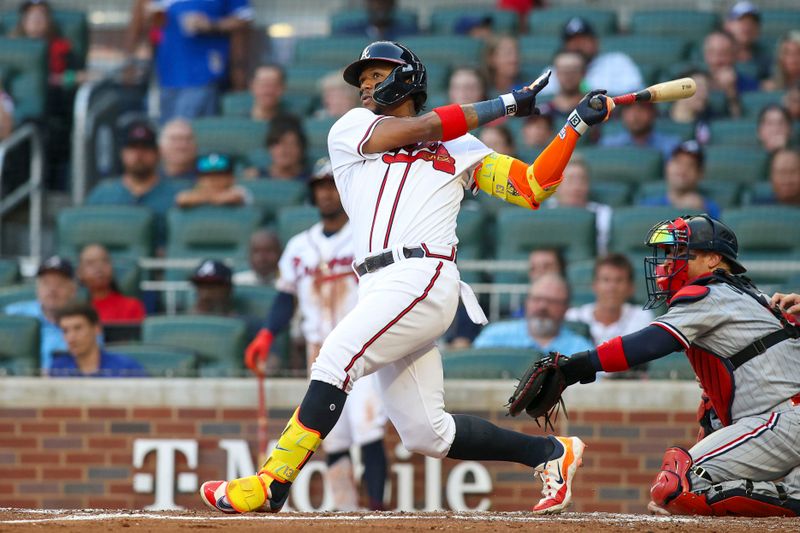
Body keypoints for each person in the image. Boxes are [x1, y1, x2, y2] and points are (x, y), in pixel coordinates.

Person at [199, 39, 613, 515]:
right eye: (363, 80)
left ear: (408, 77)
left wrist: (574, 125)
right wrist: (505, 104)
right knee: (425, 432)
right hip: (378, 285)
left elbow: (533, 186)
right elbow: (427, 125)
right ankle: (550, 454)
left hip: (424, 272)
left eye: (377, 75)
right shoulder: (352, 128)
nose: (366, 86)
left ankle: (273, 482)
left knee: (336, 357)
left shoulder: (462, 147)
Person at [548, 214, 800, 517]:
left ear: (712, 259)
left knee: (677, 486)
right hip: (779, 420)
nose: (668, 262)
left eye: (679, 253)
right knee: (677, 496)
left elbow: (653, 342)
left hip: (784, 420)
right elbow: (715, 410)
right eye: (667, 254)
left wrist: (580, 366)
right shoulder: (742, 297)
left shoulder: (711, 292)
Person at [243, 159, 389, 511]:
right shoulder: (298, 246)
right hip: (320, 352)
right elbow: (284, 297)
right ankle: (346, 509)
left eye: (332, 185)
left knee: (367, 428)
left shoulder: (366, 236)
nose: (326, 193)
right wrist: (267, 332)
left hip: (363, 348)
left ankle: (378, 511)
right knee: (332, 435)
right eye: (320, 186)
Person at [86, 120, 186, 249]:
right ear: (122, 153)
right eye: (132, 147)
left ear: (158, 153)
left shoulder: (177, 192)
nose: (139, 154)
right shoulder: (102, 194)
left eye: (146, 148)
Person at [150, 0, 252, 123]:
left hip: (204, 72)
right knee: (168, 131)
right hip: (169, 72)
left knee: (188, 131)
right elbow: (154, 19)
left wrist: (211, 24)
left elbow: (245, 19)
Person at [474, 273, 594, 354]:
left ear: (566, 308)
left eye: (552, 301)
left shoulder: (581, 349)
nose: (542, 306)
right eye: (536, 299)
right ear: (526, 302)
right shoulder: (494, 336)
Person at [4, 256, 76, 370]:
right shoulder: (14, 314)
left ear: (72, 290)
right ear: (37, 288)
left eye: (59, 284)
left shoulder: (83, 322)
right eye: (46, 283)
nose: (52, 289)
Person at [542, 16, 643, 97]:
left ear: (596, 42)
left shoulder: (618, 63)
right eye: (572, 41)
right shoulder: (552, 71)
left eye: (583, 40)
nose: (578, 45)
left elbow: (635, 95)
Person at [566, 254, 654, 344]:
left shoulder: (642, 317)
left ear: (631, 287)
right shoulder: (573, 317)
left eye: (619, 280)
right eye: (606, 280)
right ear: (594, 285)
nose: (612, 287)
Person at [50, 302, 148, 378]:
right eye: (65, 331)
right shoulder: (58, 369)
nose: (71, 337)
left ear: (96, 329)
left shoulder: (126, 368)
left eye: (78, 328)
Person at [639, 140, 721, 220]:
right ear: (667, 167)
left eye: (690, 165)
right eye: (678, 162)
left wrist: (702, 215)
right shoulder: (648, 207)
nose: (683, 169)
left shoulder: (710, 210)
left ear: (700, 174)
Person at [547, 157, 612, 255]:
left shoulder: (603, 214)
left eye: (582, 181)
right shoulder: (544, 213)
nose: (577, 187)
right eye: (570, 180)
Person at [77, 243, 146, 324]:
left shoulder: (132, 306)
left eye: (105, 261)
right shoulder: (76, 312)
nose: (99, 267)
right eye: (90, 263)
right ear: (80, 273)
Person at [703, 30, 759, 117]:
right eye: (712, 53)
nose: (717, 60)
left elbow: (741, 124)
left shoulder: (749, 85)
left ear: (734, 56)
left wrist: (731, 92)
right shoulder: (695, 82)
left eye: (723, 54)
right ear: (705, 56)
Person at [600, 101, 681, 160]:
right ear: (622, 114)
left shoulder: (670, 146)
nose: (635, 115)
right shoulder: (609, 145)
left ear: (653, 113)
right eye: (629, 110)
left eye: (641, 109)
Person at [176, 152, 251, 207]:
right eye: (208, 176)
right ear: (199, 179)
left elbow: (233, 197)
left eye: (219, 175)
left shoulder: (238, 190)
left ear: (231, 178)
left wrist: (204, 197)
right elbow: (182, 198)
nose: (213, 180)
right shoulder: (195, 190)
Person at [724, 1, 771, 81]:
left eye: (752, 22)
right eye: (741, 21)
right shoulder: (717, 54)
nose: (747, 26)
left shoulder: (767, 58)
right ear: (728, 24)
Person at [539, 50, 587, 125]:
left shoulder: (593, 108)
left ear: (583, 73)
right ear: (556, 73)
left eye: (573, 71)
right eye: (563, 71)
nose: (568, 76)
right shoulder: (542, 109)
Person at [334, 0, 417, 40]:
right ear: (367, 4)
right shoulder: (349, 32)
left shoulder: (408, 33)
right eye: (375, 1)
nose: (379, 6)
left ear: (393, 4)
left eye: (384, 2)